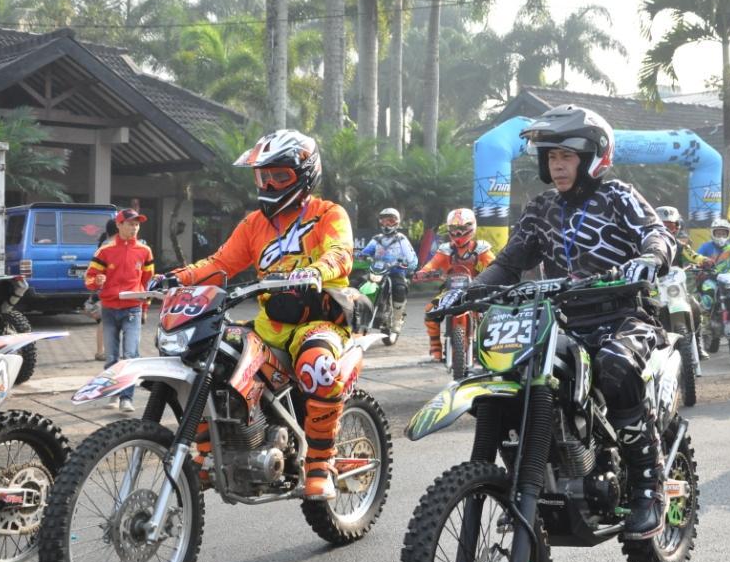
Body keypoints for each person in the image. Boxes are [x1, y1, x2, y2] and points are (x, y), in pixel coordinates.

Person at [468, 104, 677, 540]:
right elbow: (508, 263)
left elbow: (657, 235)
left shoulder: (618, 195)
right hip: (558, 322)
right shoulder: (541, 207)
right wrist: (466, 290)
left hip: (622, 316)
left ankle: (647, 488)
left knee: (617, 366)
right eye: (550, 158)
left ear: (591, 156)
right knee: (504, 378)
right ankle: (527, 484)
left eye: (565, 156)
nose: (557, 165)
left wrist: (649, 258)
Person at [156, 129, 353, 500]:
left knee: (317, 366)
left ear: (305, 174)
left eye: (280, 175)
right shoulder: (253, 224)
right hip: (269, 325)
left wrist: (316, 271)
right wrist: (173, 278)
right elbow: (219, 264)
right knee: (203, 355)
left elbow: (341, 252)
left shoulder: (329, 213)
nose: (270, 183)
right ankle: (205, 456)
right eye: (264, 175)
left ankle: (320, 465)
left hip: (318, 321)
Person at [84, 209, 154, 413]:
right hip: (109, 309)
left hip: (133, 307)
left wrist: (146, 306)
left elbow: (148, 282)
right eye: (131, 224)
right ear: (119, 225)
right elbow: (89, 278)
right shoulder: (104, 251)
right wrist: (96, 281)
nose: (134, 228)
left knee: (130, 354)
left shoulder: (144, 251)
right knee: (112, 357)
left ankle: (127, 398)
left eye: (137, 224)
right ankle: (113, 394)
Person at [414, 208, 495, 360]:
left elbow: (494, 264)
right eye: (454, 228)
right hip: (449, 290)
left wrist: (491, 273)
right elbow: (432, 264)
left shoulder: (481, 248)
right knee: (430, 311)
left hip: (475, 290)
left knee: (489, 314)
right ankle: (436, 350)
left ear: (471, 227)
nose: (458, 232)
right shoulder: (445, 249)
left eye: (463, 228)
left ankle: (487, 349)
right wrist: (423, 272)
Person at [655, 205, 711, 360]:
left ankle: (697, 344)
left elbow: (694, 256)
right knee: (644, 310)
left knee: (695, 306)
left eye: (671, 226)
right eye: (663, 225)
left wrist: (704, 260)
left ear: (677, 227)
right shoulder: (648, 245)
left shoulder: (680, 246)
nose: (667, 229)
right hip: (654, 288)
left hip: (675, 287)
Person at [358, 207, 417, 343]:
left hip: (395, 272)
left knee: (400, 289)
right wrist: (361, 256)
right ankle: (358, 316)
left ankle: (397, 323)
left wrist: (408, 265)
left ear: (396, 223)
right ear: (380, 223)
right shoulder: (376, 239)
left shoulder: (401, 239)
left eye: (391, 221)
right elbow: (365, 252)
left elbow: (412, 258)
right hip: (377, 271)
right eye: (385, 221)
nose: (387, 224)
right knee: (357, 285)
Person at [85, 218, 119, 362]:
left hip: (104, 289)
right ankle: (101, 352)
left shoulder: (104, 244)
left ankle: (104, 351)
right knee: (105, 321)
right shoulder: (109, 246)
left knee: (106, 321)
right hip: (107, 289)